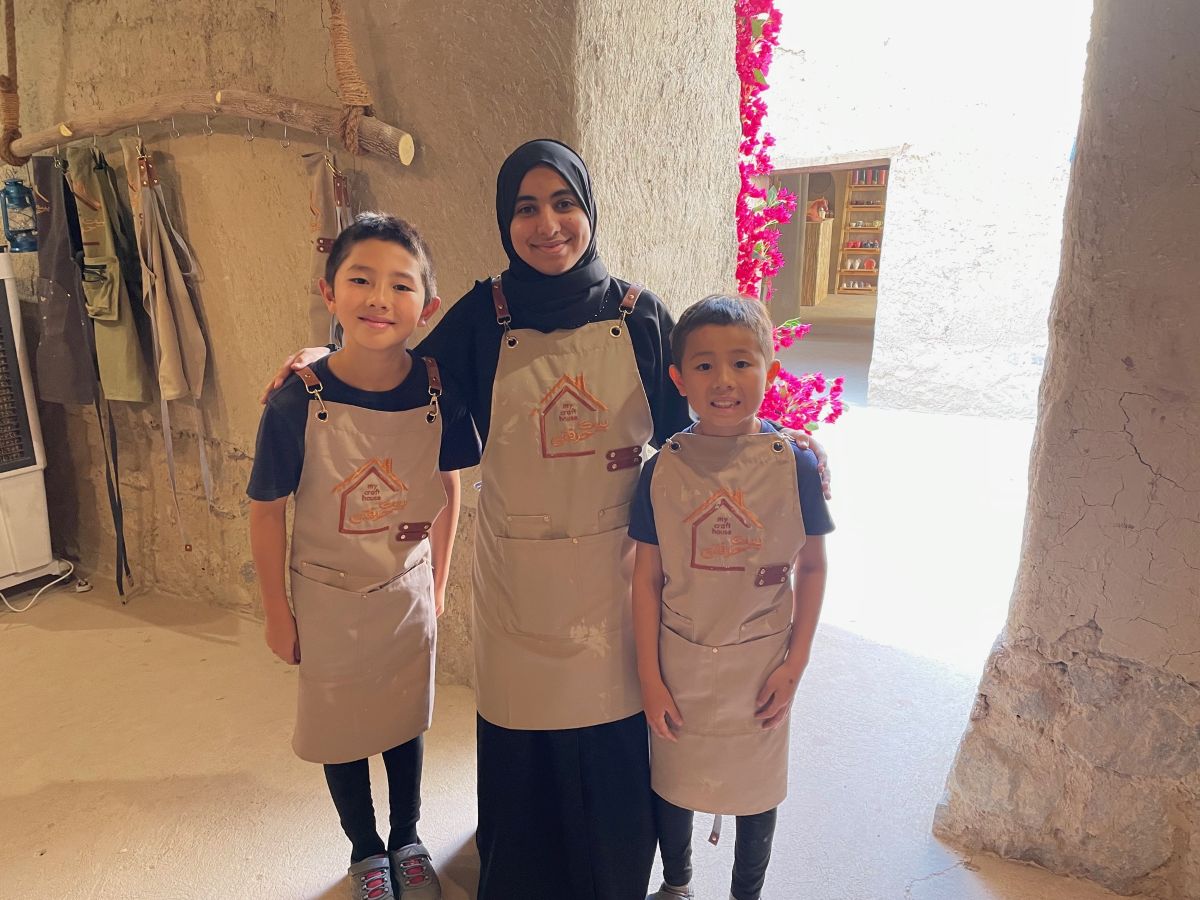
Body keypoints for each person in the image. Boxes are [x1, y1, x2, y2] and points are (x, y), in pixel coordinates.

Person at [260, 140, 830, 900]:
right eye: (525, 207)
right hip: (518, 578)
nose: (547, 223)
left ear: (588, 211)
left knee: (612, 740)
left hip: (617, 577)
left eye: (563, 202)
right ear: (505, 220)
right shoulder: (482, 317)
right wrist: (321, 358)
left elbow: (706, 411)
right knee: (525, 746)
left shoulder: (639, 315)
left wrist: (790, 446)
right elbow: (398, 371)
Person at [248, 213, 480, 900]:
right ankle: (365, 849)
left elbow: (447, 486)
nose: (380, 298)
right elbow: (266, 511)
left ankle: (408, 836)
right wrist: (275, 613)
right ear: (329, 293)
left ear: (427, 307)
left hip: (405, 586)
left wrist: (438, 583)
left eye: (401, 285)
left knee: (404, 719)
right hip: (326, 594)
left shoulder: (438, 389)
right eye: (361, 280)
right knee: (341, 729)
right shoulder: (297, 400)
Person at [630, 295, 832, 900]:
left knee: (756, 787)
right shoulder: (661, 469)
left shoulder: (793, 464)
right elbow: (645, 579)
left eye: (743, 363)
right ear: (678, 378)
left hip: (762, 662)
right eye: (705, 366)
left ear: (770, 367)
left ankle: (748, 891)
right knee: (674, 779)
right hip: (680, 658)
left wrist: (795, 666)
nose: (724, 381)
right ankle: (677, 884)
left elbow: (814, 565)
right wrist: (649, 676)